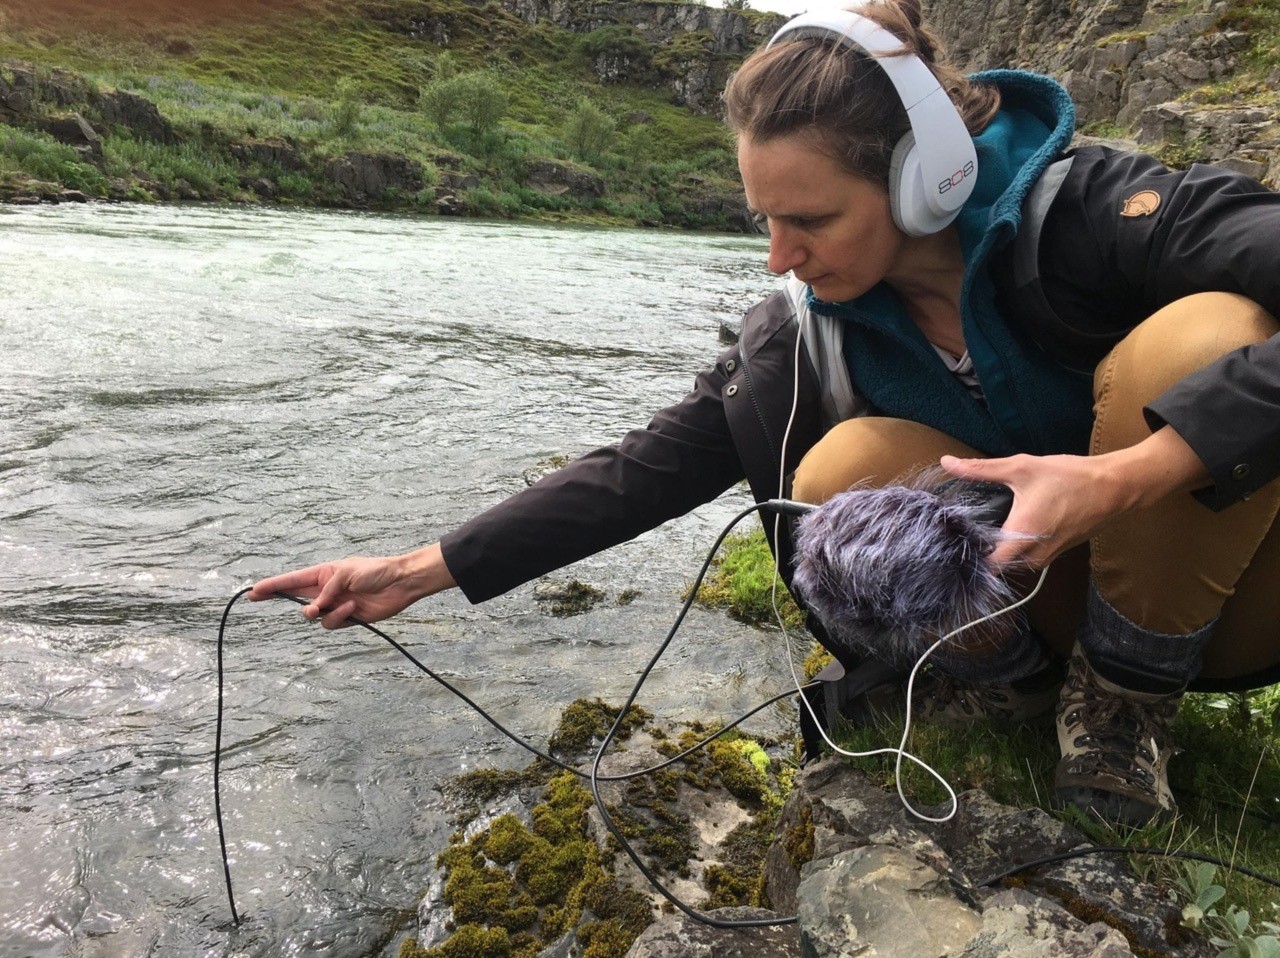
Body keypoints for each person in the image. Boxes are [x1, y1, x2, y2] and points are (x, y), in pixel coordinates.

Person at [251, 0, 1280, 828]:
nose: (779, 257)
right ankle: (1012, 694)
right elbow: (645, 468)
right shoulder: (808, 328)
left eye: (811, 219)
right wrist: (419, 568)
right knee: (840, 470)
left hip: (1218, 602)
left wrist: (1122, 477)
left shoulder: (1097, 213)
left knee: (1210, 332)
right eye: (764, 220)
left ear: (928, 179)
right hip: (1029, 608)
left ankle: (1120, 714)